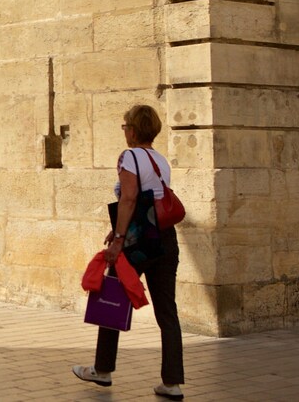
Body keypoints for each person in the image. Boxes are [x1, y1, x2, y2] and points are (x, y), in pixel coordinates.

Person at [72, 104, 184, 401]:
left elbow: (130, 198)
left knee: (112, 298)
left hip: (136, 243)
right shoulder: (160, 160)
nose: (124, 131)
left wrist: (119, 239)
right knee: (167, 311)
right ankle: (172, 382)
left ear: (133, 130)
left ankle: (102, 369)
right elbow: (149, 203)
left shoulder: (129, 157)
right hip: (164, 240)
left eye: (125, 126)